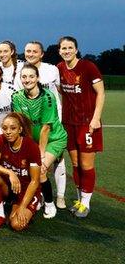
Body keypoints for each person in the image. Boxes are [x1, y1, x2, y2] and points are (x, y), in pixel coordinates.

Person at [57, 36, 105, 218]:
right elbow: (61, 90)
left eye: (70, 47)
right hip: (69, 123)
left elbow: (100, 92)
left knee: (86, 165)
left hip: (87, 123)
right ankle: (79, 199)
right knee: (75, 163)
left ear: (76, 50)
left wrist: (96, 118)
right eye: (63, 48)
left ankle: (86, 203)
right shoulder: (60, 68)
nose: (67, 51)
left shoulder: (88, 67)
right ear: (59, 51)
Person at [12, 64, 67, 219]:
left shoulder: (47, 96)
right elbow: (22, 124)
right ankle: (39, 198)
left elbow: (46, 129)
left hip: (54, 139)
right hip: (34, 139)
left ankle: (50, 204)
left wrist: (40, 154)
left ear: (37, 78)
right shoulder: (16, 97)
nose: (27, 80)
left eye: (31, 76)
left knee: (41, 168)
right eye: (24, 77)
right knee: (30, 168)